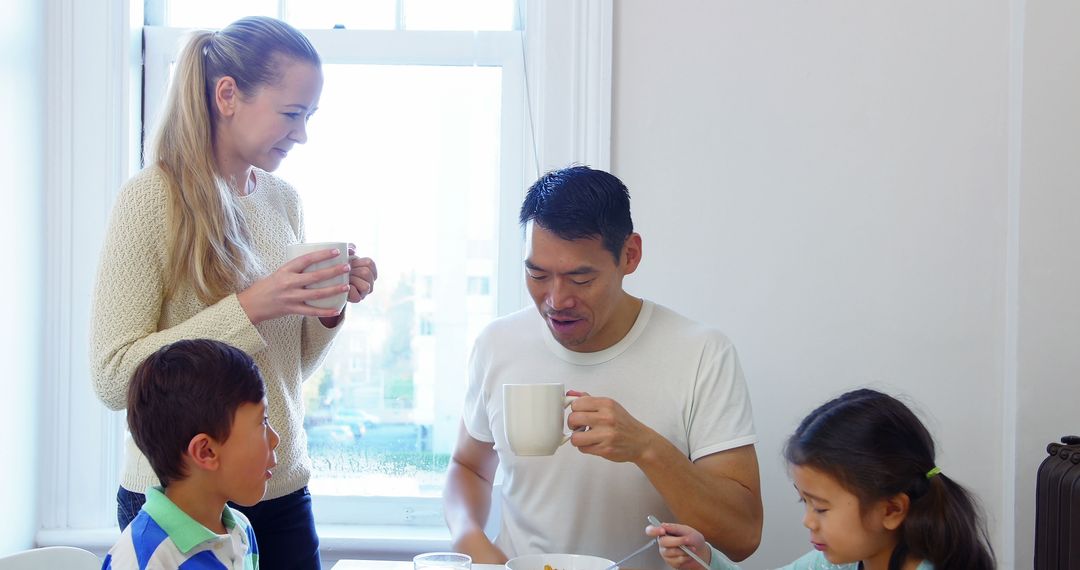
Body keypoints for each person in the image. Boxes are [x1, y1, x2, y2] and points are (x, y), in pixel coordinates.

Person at [89, 16, 376, 569]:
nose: (302, 134)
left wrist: (328, 310)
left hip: (280, 485)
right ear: (227, 95)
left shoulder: (283, 201)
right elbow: (111, 376)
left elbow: (281, 375)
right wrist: (250, 307)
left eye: (309, 116)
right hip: (181, 499)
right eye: (291, 114)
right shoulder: (150, 201)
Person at [443, 166, 763, 568]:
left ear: (630, 255)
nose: (556, 300)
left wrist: (646, 448)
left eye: (581, 278)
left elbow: (744, 536)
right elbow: (468, 467)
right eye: (537, 274)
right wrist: (469, 537)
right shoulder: (497, 343)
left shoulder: (702, 353)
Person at [646, 389, 995, 570]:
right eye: (806, 502)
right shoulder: (830, 563)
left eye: (822, 508)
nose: (808, 521)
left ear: (891, 509)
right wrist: (703, 557)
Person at [103, 339, 278, 569]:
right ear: (205, 451)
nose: (275, 439)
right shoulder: (141, 557)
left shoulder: (241, 530)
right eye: (263, 422)